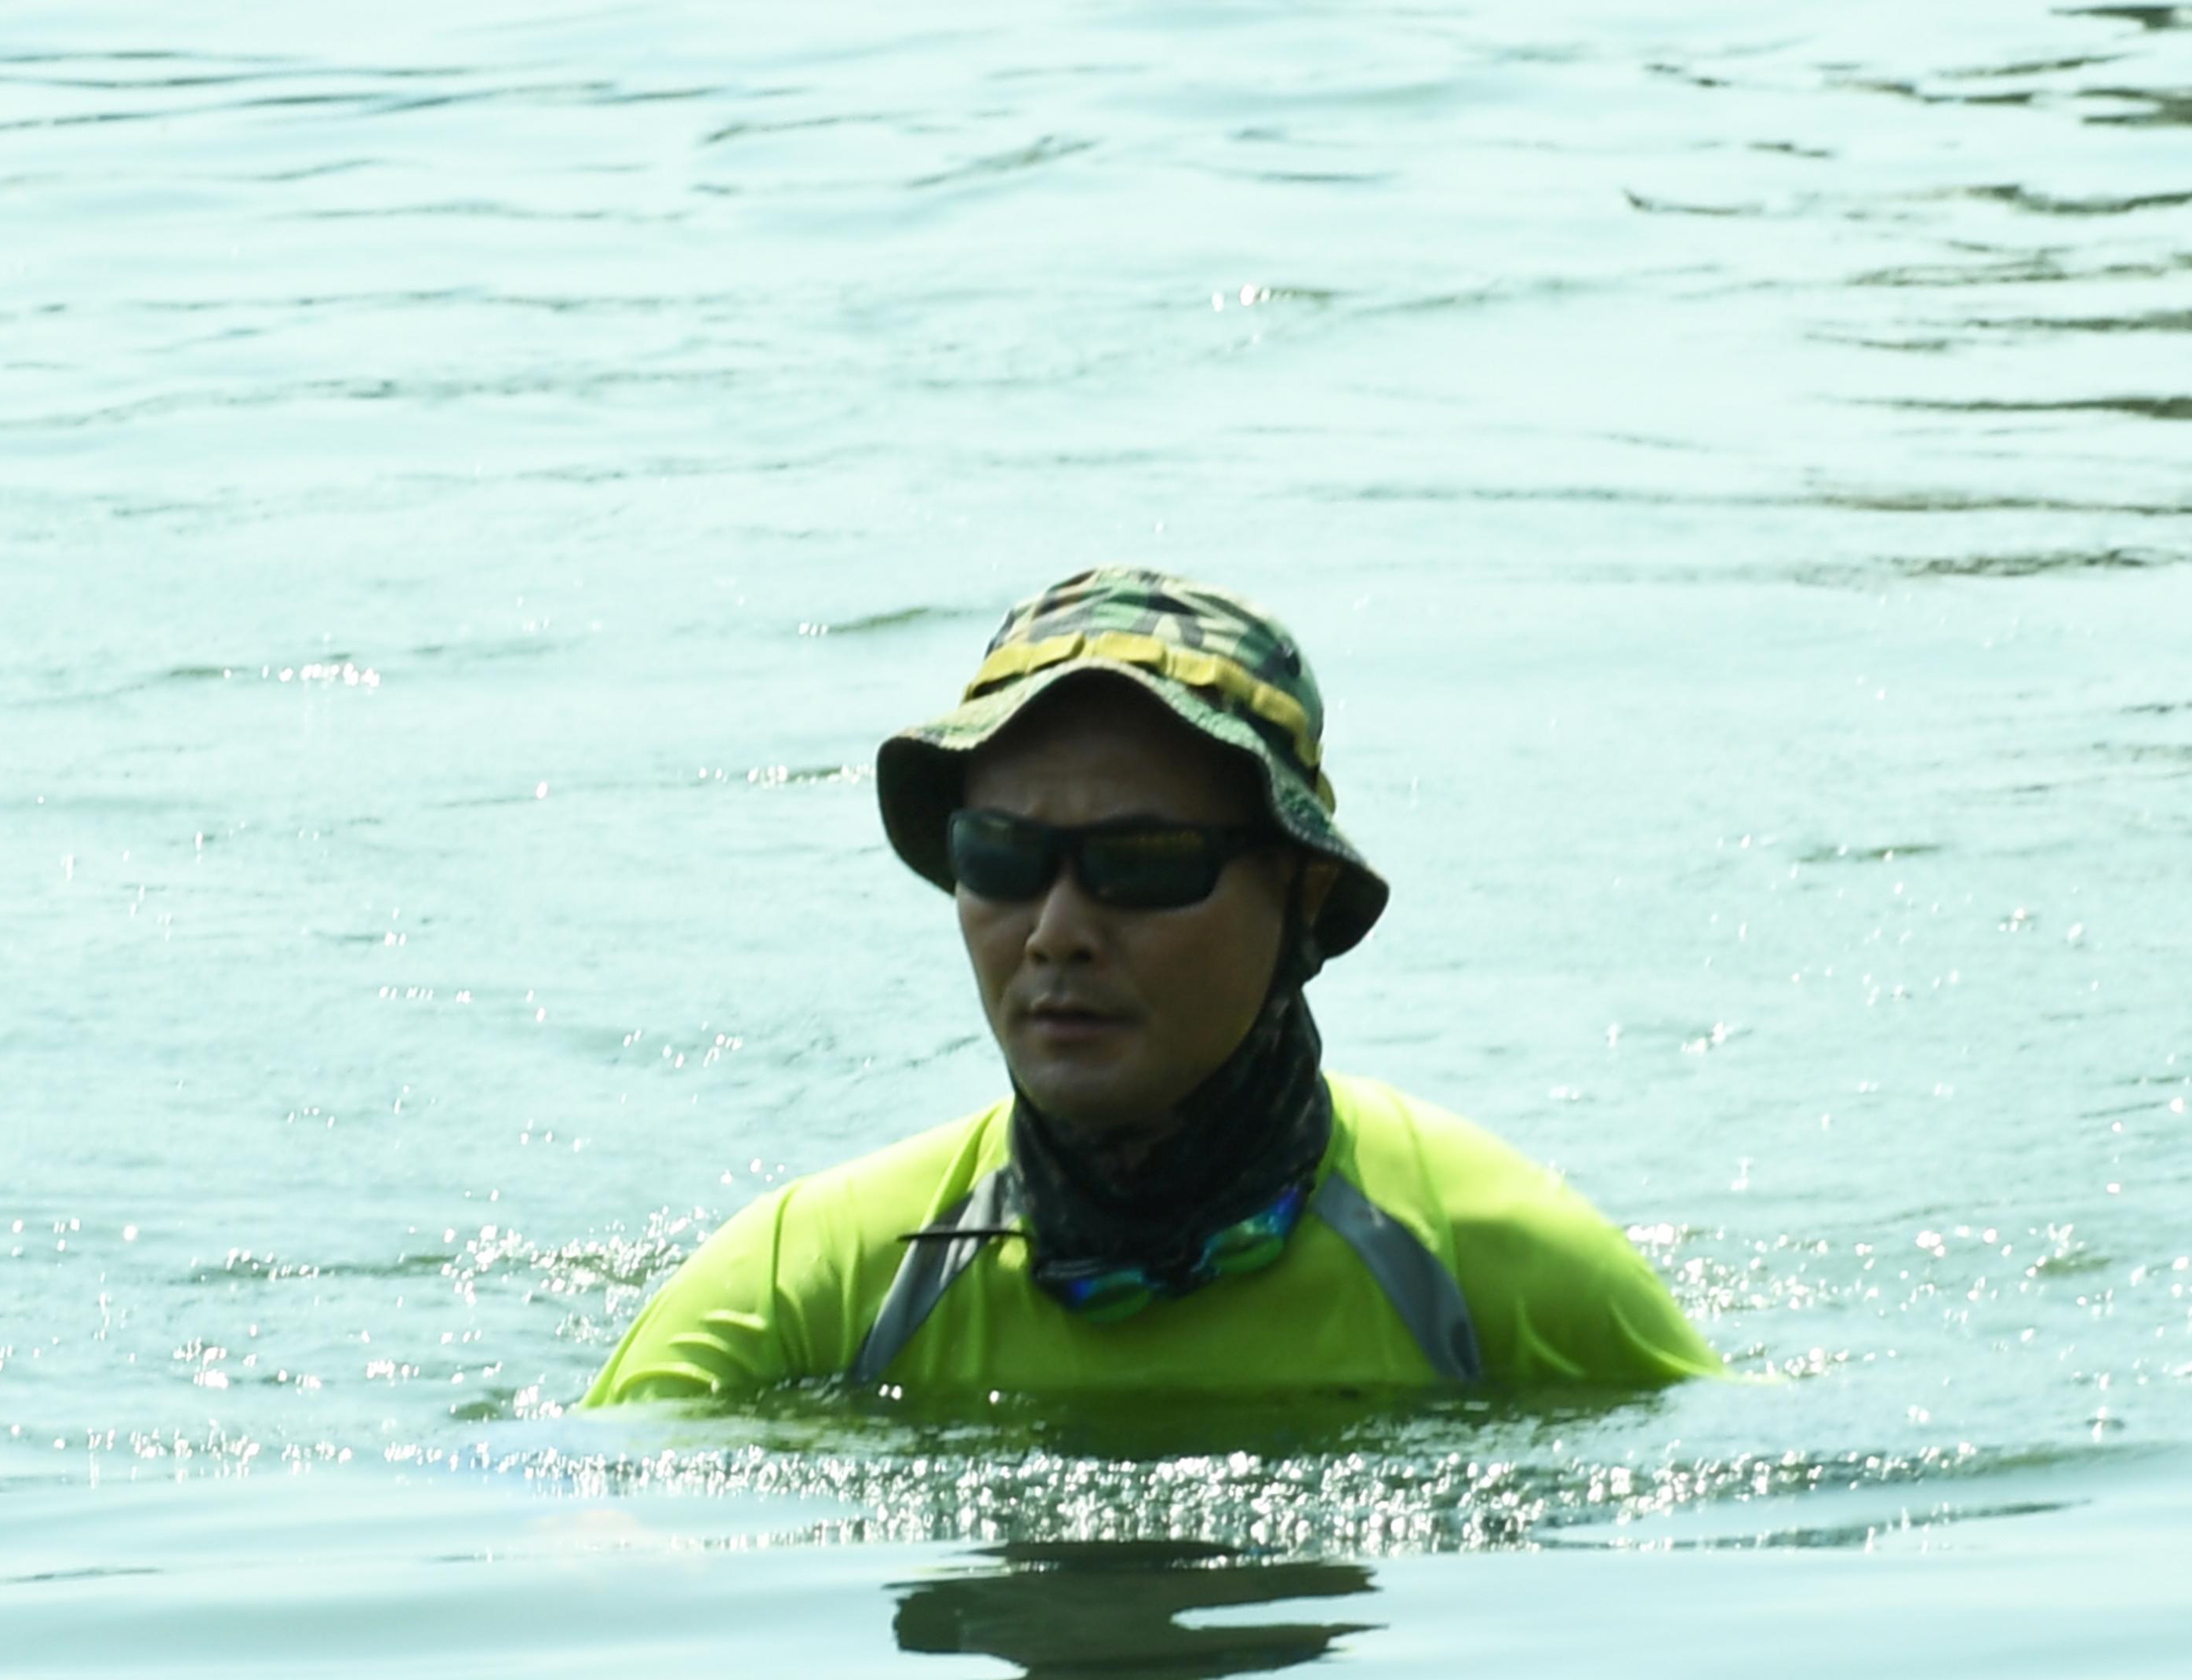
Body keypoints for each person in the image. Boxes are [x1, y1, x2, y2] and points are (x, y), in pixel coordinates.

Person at [584, 567, 1723, 1405]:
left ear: (1303, 902)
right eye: (1001, 861)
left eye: (1144, 866)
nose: (1058, 933)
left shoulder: (1496, 1273)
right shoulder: (815, 1286)